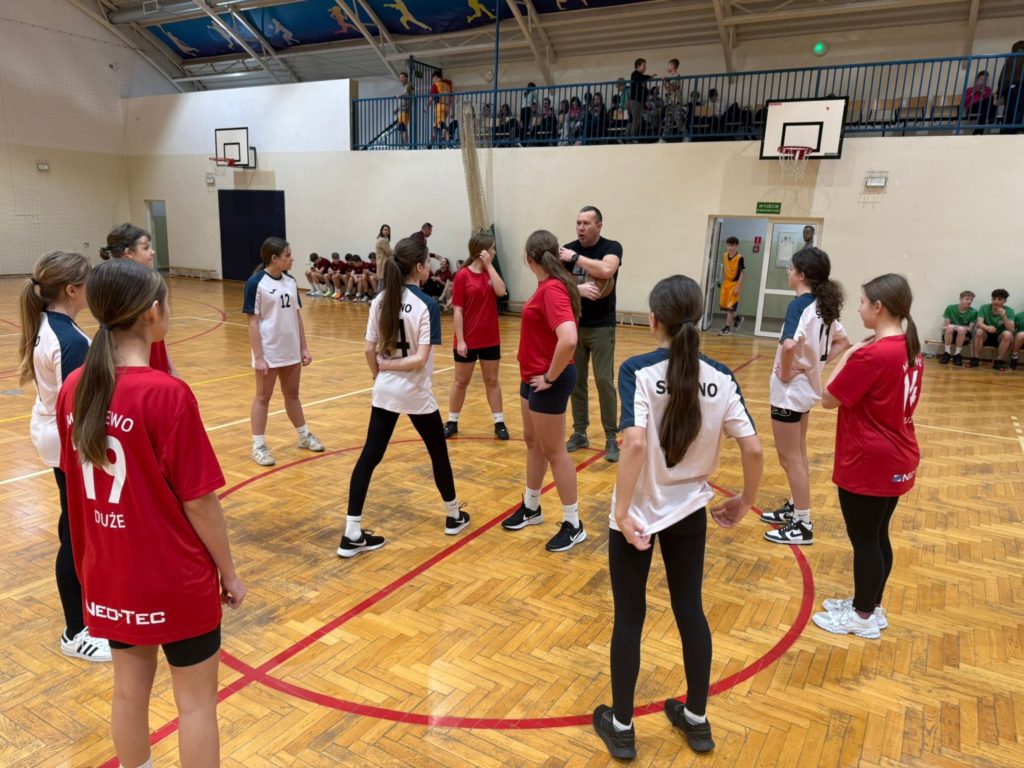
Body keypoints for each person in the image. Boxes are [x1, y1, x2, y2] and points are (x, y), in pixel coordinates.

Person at [56, 259, 245, 768]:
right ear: (151, 313)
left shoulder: (75, 387)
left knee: (128, 692)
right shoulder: (167, 394)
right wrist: (229, 572)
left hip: (111, 573)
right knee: (196, 704)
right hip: (174, 578)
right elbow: (200, 502)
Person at [592, 275, 763, 760]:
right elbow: (753, 448)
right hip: (689, 512)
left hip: (638, 515)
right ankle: (697, 720)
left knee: (630, 615)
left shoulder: (637, 370)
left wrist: (622, 512)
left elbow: (634, 444)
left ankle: (622, 728)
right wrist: (745, 501)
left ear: (654, 321)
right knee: (690, 609)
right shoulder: (722, 377)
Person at [340, 237, 468, 557]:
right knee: (438, 453)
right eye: (427, 264)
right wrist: (388, 367)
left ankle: (351, 532)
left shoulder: (380, 299)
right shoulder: (426, 305)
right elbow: (420, 360)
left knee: (370, 456)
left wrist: (380, 372)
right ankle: (453, 516)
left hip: (386, 390)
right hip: (415, 393)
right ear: (420, 267)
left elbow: (368, 350)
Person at [814, 273, 922, 638]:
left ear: (878, 307)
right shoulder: (909, 345)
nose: (859, 308)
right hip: (897, 454)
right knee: (877, 536)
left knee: (865, 540)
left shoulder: (873, 354)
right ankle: (870, 606)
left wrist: (847, 354)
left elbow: (828, 399)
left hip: (870, 460)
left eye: (862, 302)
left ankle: (861, 617)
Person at [18, 251, 111, 663]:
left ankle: (87, 607)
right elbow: (77, 407)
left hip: (53, 432)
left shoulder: (54, 325)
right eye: (88, 281)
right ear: (73, 290)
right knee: (74, 533)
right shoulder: (68, 341)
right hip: (65, 441)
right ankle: (75, 630)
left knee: (71, 526)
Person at [502, 230, 584, 552]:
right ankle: (532, 507)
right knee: (533, 443)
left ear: (528, 258)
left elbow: (569, 339)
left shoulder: (552, 289)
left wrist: (550, 376)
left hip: (548, 380)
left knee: (555, 452)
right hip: (533, 377)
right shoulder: (548, 286)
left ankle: (574, 524)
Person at [761, 247, 849, 546]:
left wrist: (787, 373)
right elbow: (843, 342)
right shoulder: (823, 306)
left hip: (789, 393)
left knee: (790, 457)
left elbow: (788, 346)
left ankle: (802, 524)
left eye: (790, 268)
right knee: (797, 454)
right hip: (804, 391)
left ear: (801, 275)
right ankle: (796, 506)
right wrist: (815, 365)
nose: (788, 272)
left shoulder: (799, 305)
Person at [243, 237, 324, 466]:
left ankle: (304, 436)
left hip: (291, 350)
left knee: (293, 394)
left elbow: (296, 316)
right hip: (269, 351)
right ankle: (258, 446)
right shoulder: (256, 283)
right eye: (287, 255)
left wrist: (303, 347)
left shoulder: (290, 281)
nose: (292, 259)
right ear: (274, 259)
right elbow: (252, 322)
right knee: (263, 397)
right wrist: (259, 357)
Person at [559, 206, 624, 462]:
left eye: (586, 223)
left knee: (604, 381)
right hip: (574, 325)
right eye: (578, 223)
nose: (581, 227)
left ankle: (611, 437)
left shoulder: (611, 247)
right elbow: (556, 284)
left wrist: (575, 258)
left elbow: (606, 270)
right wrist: (579, 289)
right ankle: (579, 433)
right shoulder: (566, 249)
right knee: (576, 381)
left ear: (599, 226)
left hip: (602, 326)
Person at [444, 232, 509, 441]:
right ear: (482, 251)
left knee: (492, 380)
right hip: (467, 340)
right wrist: (461, 340)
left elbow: (501, 292)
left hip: (490, 339)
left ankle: (499, 422)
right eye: (492, 248)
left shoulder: (491, 273)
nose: (494, 252)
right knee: (461, 381)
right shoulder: (462, 275)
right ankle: (452, 421)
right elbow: (458, 310)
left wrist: (490, 266)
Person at [100, 223, 177, 376]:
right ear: (128, 252)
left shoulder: (151, 281)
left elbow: (159, 335)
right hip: (131, 359)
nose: (152, 252)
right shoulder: (113, 286)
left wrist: (172, 368)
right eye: (146, 247)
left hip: (152, 354)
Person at [968, 289, 1015, 370]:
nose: (996, 301)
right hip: (986, 335)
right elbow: (979, 323)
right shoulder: (984, 307)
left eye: (999, 299)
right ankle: (975, 358)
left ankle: (998, 361)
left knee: (1008, 334)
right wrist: (987, 327)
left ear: (1005, 301)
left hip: (999, 338)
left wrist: (1003, 316)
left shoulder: (1009, 311)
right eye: (994, 299)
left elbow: (1011, 329)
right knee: (979, 331)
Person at [939, 290, 977, 365]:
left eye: (971, 300)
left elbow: (970, 329)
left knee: (961, 329)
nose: (969, 301)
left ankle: (957, 354)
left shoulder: (973, 312)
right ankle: (947, 352)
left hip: (965, 337)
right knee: (950, 327)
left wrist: (958, 327)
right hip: (949, 334)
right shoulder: (950, 308)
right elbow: (947, 326)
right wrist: (958, 327)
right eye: (967, 299)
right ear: (960, 299)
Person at [718, 236, 745, 335]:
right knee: (725, 306)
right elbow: (725, 269)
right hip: (726, 283)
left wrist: (738, 287)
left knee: (730, 307)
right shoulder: (725, 255)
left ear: (736, 246)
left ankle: (727, 328)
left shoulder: (739, 258)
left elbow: (742, 273)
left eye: (732, 246)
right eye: (728, 245)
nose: (730, 248)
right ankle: (737, 318)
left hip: (734, 284)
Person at [998, 41, 1024, 135]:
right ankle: (1014, 129)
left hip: (1007, 87)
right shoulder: (1021, 57)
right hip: (1019, 85)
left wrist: (999, 91)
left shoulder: (1010, 58)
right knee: (1018, 108)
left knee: (1009, 109)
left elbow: (1002, 76)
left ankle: (1006, 130)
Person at [627, 58, 656, 139]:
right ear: (638, 66)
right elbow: (638, 78)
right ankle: (631, 138)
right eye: (644, 65)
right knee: (637, 120)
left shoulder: (642, 78)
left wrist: (652, 91)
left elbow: (645, 91)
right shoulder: (635, 74)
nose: (645, 67)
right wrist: (650, 76)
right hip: (635, 101)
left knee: (638, 120)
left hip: (639, 101)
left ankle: (630, 137)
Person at [427, 71, 453, 145]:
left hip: (439, 106)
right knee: (435, 126)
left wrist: (426, 107)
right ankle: (431, 144)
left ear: (436, 77)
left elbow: (431, 98)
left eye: (433, 79)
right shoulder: (447, 85)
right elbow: (451, 99)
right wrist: (452, 111)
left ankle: (448, 141)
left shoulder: (436, 85)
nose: (433, 81)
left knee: (441, 124)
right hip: (447, 107)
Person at [396, 71, 414, 145]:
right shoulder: (404, 87)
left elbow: (409, 94)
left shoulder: (409, 85)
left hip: (405, 111)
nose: (401, 79)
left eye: (402, 77)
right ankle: (404, 144)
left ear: (406, 78)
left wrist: (400, 96)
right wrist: (397, 109)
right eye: (400, 77)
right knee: (402, 128)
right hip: (401, 110)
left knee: (403, 127)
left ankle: (406, 145)